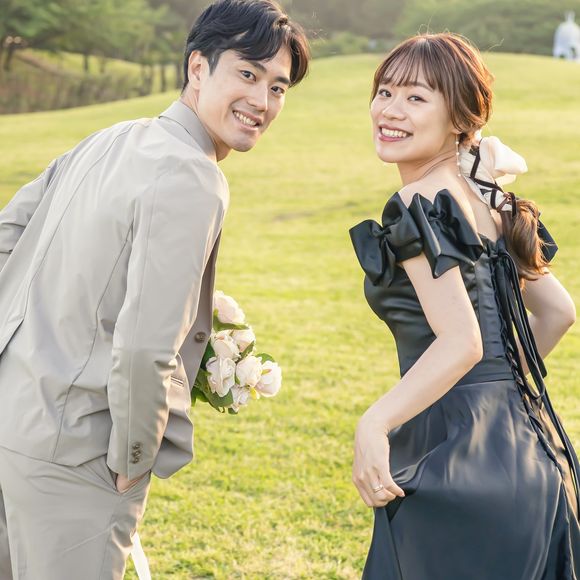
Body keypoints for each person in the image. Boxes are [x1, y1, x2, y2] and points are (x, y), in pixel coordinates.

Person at [0, 1, 309, 577]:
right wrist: (134, 457)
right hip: (76, 455)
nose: (262, 101)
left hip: (11, 419)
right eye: (247, 73)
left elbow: (7, 239)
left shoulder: (109, 139)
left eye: (277, 87)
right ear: (198, 67)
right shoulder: (194, 174)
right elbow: (147, 344)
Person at [349, 33, 580, 579]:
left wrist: (374, 423)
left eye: (415, 97)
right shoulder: (492, 199)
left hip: (455, 458)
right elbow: (559, 313)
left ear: (458, 118)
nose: (390, 110)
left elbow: (462, 342)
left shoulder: (417, 201)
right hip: (531, 452)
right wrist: (498, 386)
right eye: (385, 92)